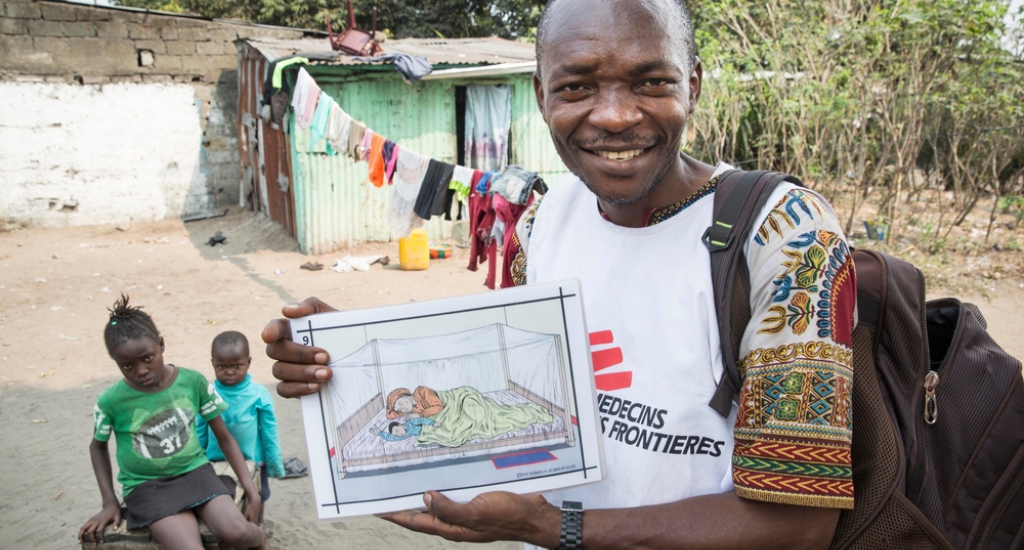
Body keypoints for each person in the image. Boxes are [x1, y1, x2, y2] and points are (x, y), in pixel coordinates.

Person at [262, 0, 856, 547]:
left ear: (693, 84)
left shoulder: (787, 237)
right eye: (577, 87)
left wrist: (557, 527)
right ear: (542, 92)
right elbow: (521, 390)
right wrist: (355, 358)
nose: (617, 116)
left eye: (652, 82)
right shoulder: (544, 220)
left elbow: (798, 522)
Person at [79, 296, 268, 550]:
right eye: (127, 365)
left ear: (161, 344)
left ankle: (262, 540)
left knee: (239, 534)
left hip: (196, 473)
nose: (141, 370)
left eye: (147, 358)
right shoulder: (110, 401)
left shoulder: (192, 382)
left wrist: (251, 490)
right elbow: (97, 447)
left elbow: (224, 437)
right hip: (147, 487)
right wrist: (109, 502)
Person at [197, 331, 285, 504]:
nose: (229, 372)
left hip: (253, 461)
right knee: (224, 500)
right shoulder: (208, 393)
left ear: (249, 362)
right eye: (221, 367)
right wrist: (198, 460)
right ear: (213, 364)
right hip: (216, 462)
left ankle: (256, 527)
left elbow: (269, 432)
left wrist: (274, 463)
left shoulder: (258, 394)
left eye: (237, 366)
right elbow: (200, 429)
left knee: (257, 497)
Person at [372, 418, 440, 442]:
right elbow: (390, 437)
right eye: (396, 434)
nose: (398, 434)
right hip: (429, 433)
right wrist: (380, 433)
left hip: (430, 426)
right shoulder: (404, 435)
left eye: (397, 431)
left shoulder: (410, 423)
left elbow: (421, 420)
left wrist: (432, 423)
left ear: (401, 425)